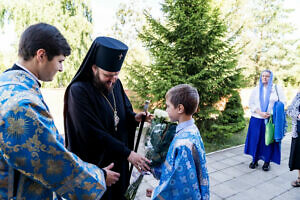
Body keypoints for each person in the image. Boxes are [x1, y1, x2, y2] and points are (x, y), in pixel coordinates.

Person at [0, 23, 119, 199]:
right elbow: (51, 162)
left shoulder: (7, 84)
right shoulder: (22, 104)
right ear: (41, 55)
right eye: (60, 61)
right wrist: (99, 176)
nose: (61, 69)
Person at [63, 36, 151, 200]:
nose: (112, 81)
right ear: (94, 68)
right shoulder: (79, 91)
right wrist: (128, 153)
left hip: (119, 162)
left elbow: (123, 111)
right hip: (98, 166)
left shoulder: (116, 84)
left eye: (116, 75)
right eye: (108, 75)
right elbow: (91, 132)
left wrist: (134, 118)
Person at [146, 84, 210, 200]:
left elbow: (181, 185)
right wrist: (153, 168)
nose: (166, 110)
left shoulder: (183, 144)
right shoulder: (192, 130)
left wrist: (156, 193)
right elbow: (174, 168)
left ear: (180, 108)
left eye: (168, 106)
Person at [244, 70, 286, 171]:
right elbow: (251, 103)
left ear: (271, 78)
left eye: (267, 76)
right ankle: (255, 159)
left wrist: (271, 113)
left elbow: (283, 102)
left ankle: (267, 161)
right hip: (257, 119)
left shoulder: (276, 89)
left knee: (268, 141)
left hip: (270, 120)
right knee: (255, 140)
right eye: (262, 76)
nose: (264, 78)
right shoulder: (256, 89)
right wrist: (260, 112)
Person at [286, 88, 300, 187]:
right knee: (299, 157)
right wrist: (298, 115)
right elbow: (289, 110)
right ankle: (299, 179)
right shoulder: (298, 95)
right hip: (298, 132)